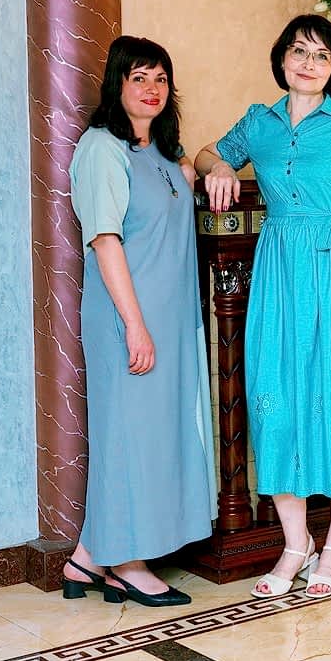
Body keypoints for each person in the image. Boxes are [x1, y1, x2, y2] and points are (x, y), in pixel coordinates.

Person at [196, 14, 331, 598]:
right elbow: (207, 152)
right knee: (274, 400)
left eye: (321, 55)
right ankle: (296, 543)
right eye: (298, 51)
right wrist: (220, 165)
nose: (308, 63)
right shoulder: (258, 122)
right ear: (282, 58)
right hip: (281, 274)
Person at [64, 35, 216, 607]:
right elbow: (105, 240)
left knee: (151, 437)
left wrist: (209, 165)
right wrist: (134, 324)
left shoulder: (163, 155)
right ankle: (127, 565)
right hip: (127, 320)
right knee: (128, 437)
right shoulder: (101, 149)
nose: (151, 89)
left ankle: (86, 558)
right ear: (117, 84)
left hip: (170, 321)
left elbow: (196, 168)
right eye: (139, 78)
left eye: (160, 79)